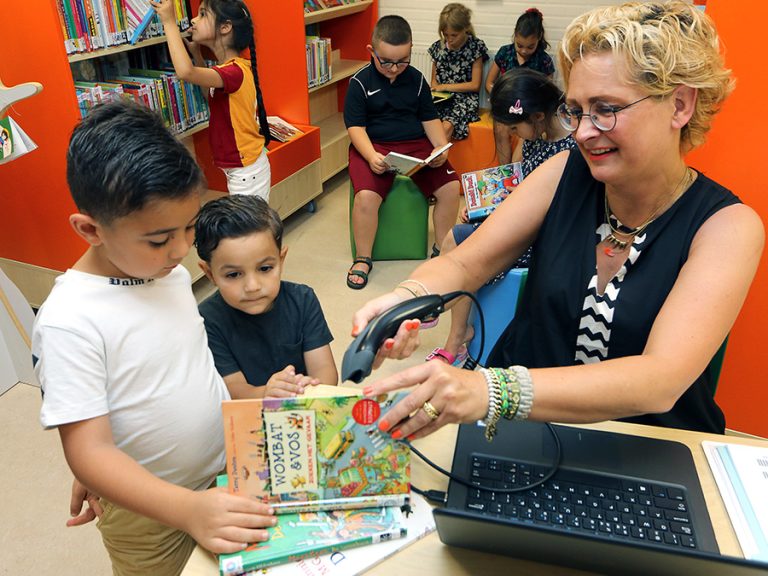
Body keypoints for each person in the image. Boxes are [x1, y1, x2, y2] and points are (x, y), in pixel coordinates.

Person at [352, 1, 764, 438]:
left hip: (650, 447)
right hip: (526, 431)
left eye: (606, 109)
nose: (583, 131)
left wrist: (493, 390)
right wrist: (404, 296)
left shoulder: (726, 227)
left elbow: (659, 379)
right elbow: (465, 262)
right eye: (576, 110)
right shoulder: (563, 173)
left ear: (679, 105)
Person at [33, 101, 276, 575]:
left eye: (189, 227)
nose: (183, 249)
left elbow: (178, 368)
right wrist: (100, 471)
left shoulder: (168, 273)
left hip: (223, 471)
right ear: (90, 230)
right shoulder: (70, 320)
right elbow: (89, 449)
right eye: (160, 238)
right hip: (149, 517)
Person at [426, 68, 576, 365]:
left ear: (535, 116)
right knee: (454, 237)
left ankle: (454, 331)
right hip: (519, 221)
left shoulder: (571, 148)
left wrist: (498, 215)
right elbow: (514, 179)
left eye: (514, 129)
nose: (512, 136)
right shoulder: (538, 131)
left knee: (465, 252)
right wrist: (483, 205)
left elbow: (557, 213)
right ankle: (458, 331)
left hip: (541, 237)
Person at [344, 15, 461, 289]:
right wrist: (371, 156)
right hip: (373, 145)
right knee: (365, 198)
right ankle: (363, 257)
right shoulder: (359, 83)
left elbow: (429, 119)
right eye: (386, 61)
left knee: (450, 187)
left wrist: (439, 147)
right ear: (371, 52)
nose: (395, 68)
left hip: (415, 144)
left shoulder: (417, 80)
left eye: (402, 61)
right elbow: (355, 128)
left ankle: (441, 249)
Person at [196, 194, 338, 399]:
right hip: (250, 416)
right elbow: (233, 389)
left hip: (304, 408)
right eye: (233, 275)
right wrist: (267, 393)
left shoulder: (303, 300)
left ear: (281, 260)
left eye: (265, 268)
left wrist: (313, 388)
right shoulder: (207, 319)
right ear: (210, 274)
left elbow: (325, 371)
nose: (252, 286)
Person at [152, 0, 272, 200]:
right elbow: (210, 96)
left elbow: (185, 72)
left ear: (225, 27)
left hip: (246, 171)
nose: (193, 19)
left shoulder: (234, 72)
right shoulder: (231, 69)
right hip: (241, 168)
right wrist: (197, 55)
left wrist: (169, 22)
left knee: (248, 228)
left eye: (203, 14)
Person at [485, 7, 555, 164]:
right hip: (506, 107)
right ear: (514, 36)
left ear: (539, 39)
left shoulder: (543, 60)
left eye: (530, 46)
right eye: (519, 45)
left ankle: (517, 171)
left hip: (528, 111)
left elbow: (547, 94)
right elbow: (489, 83)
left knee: (527, 131)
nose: (524, 51)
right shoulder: (505, 53)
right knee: (501, 128)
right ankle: (505, 170)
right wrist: (499, 97)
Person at [427, 3, 489, 141]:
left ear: (465, 29)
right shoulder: (438, 47)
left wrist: (445, 87)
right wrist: (437, 89)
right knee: (426, 121)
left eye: (454, 35)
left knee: (446, 126)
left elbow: (474, 85)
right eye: (445, 34)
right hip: (441, 98)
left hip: (464, 99)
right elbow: (434, 81)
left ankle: (434, 160)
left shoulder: (475, 47)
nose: (449, 39)